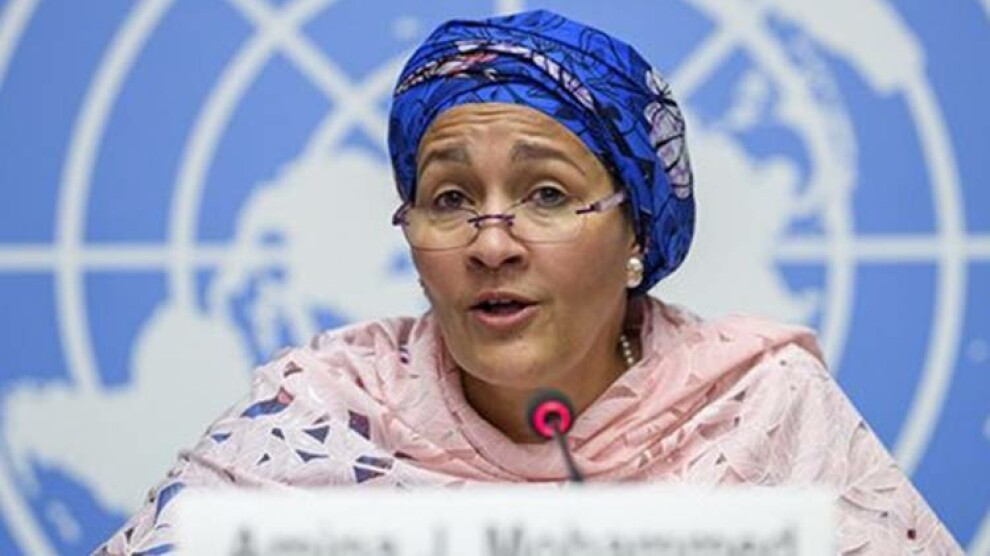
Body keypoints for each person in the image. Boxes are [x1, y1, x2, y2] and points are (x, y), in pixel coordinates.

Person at [96, 9, 961, 555]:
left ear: (636, 231)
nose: (492, 244)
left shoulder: (763, 409)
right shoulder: (318, 417)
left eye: (547, 194)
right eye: (449, 199)